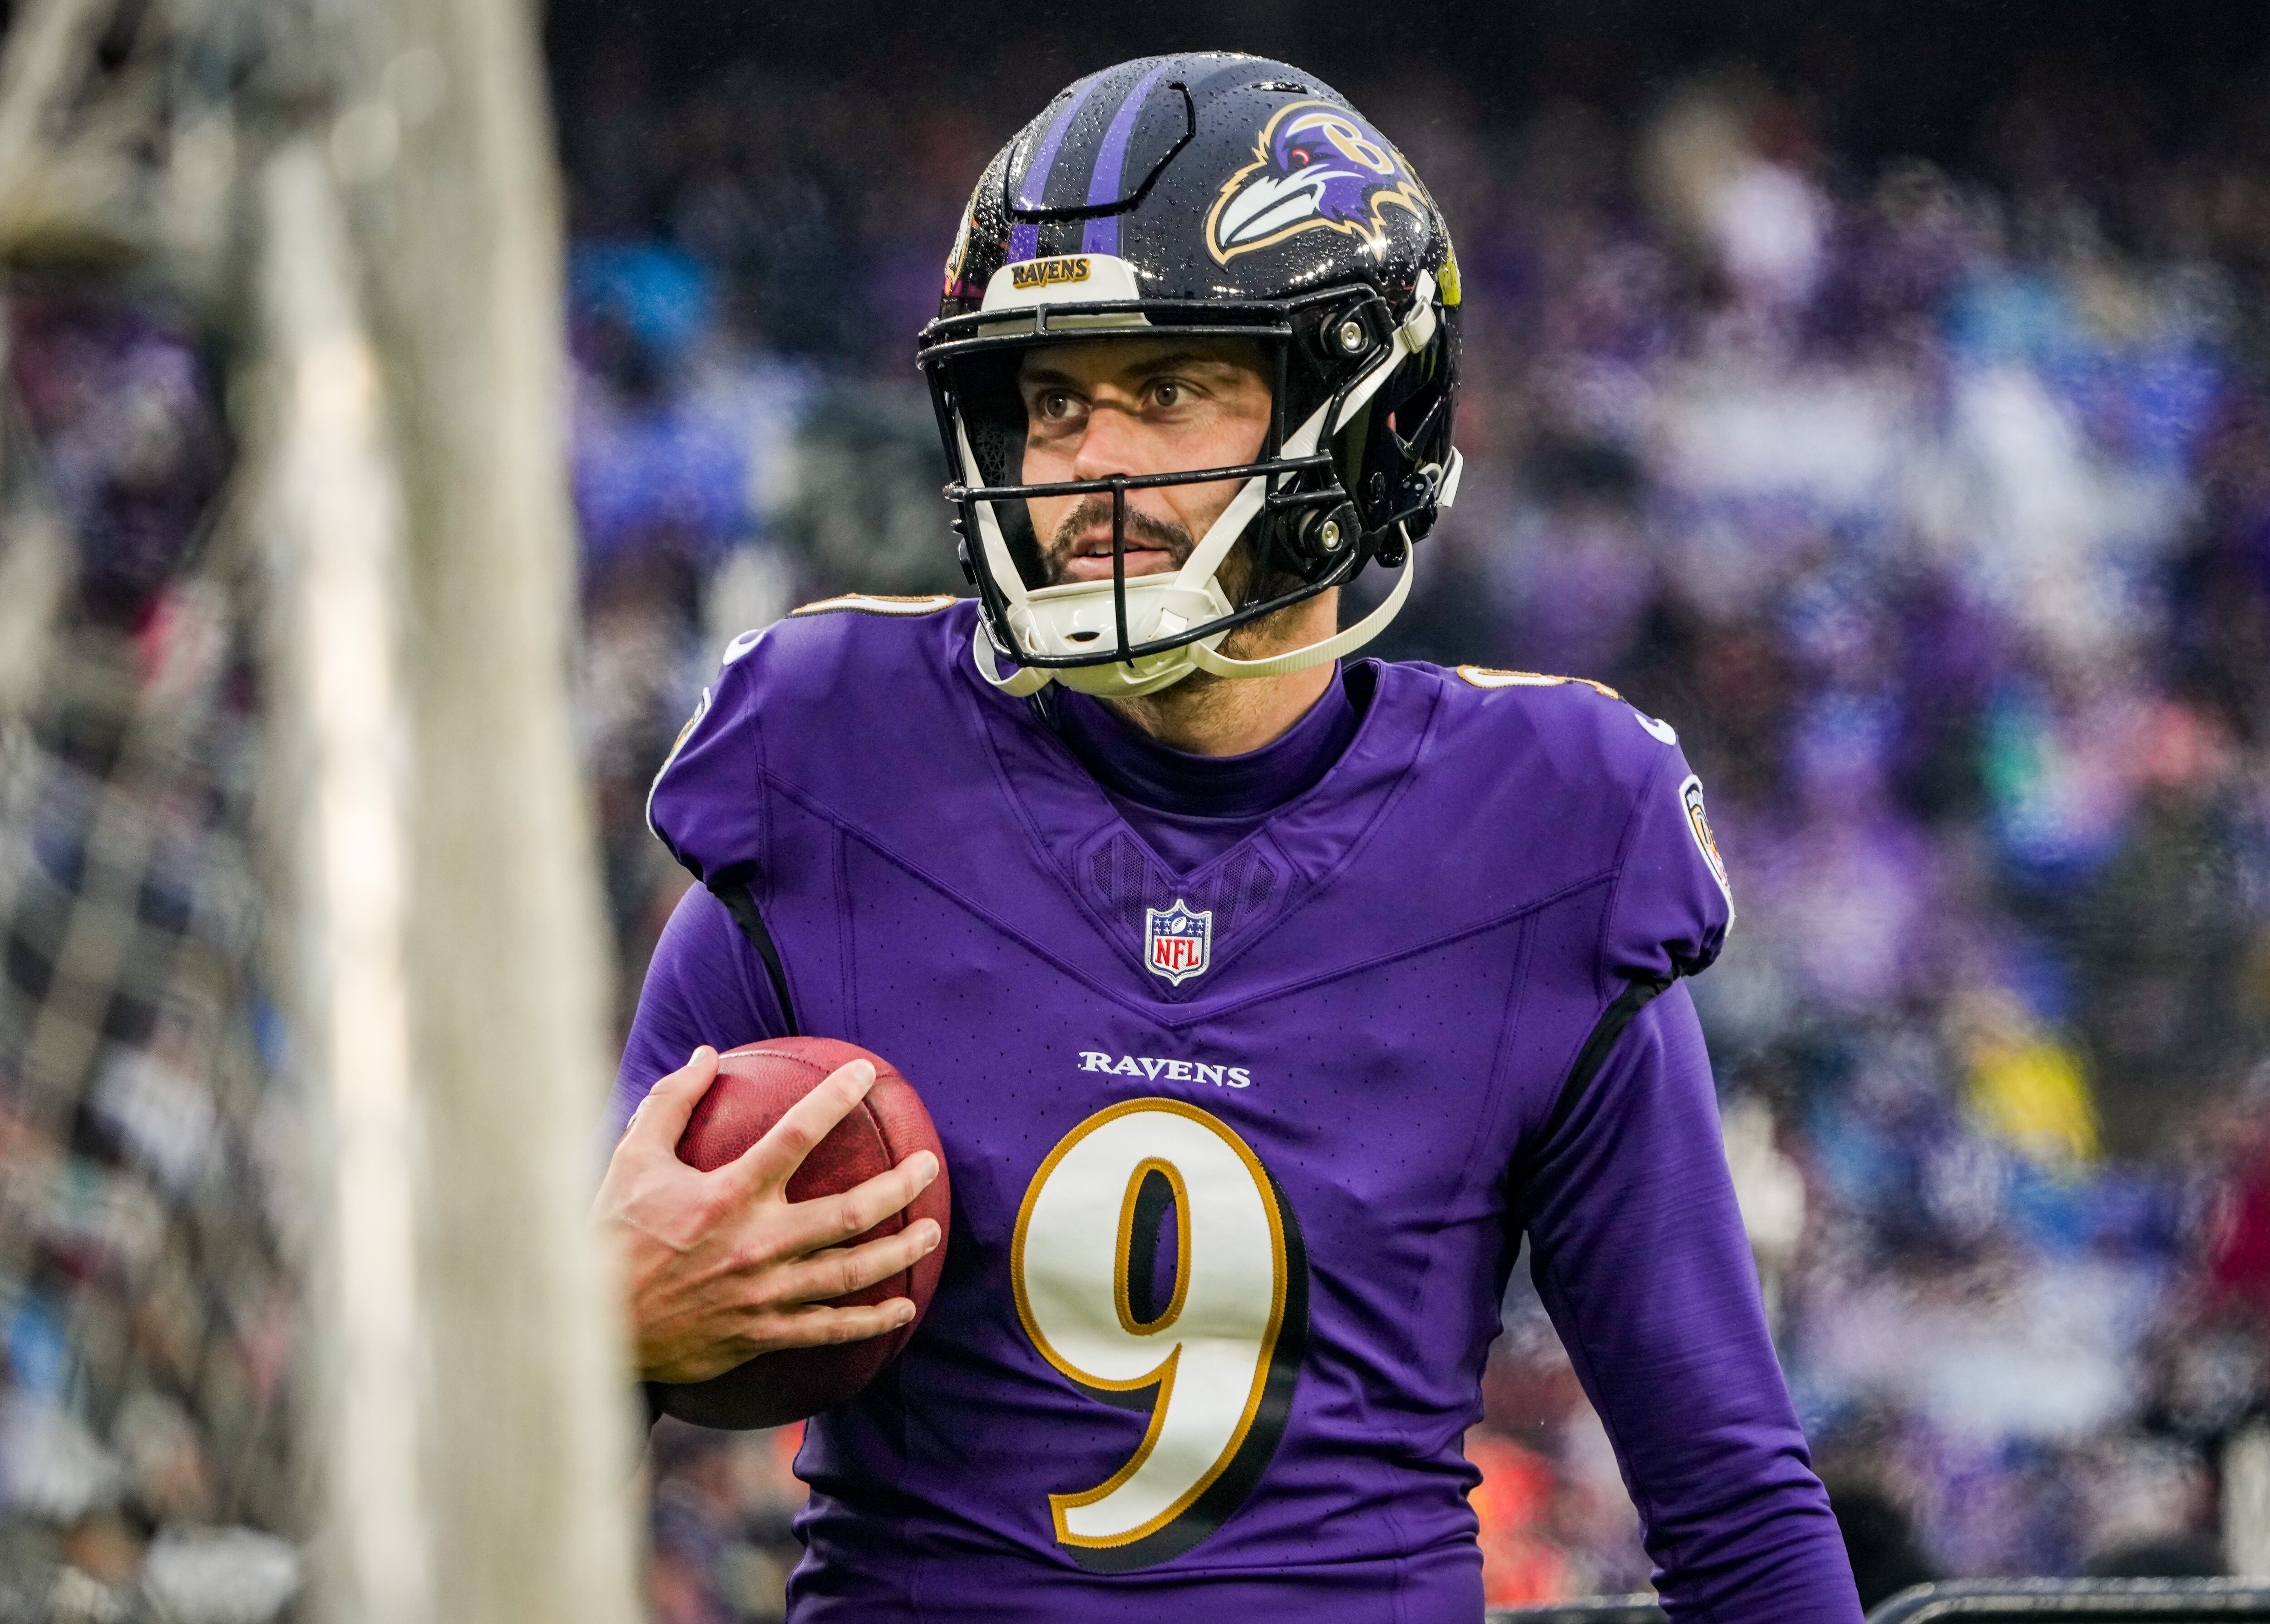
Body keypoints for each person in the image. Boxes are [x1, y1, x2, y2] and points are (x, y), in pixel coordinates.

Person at [593, 53, 1864, 1622]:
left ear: (1363, 418)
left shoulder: (1547, 834)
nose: (1088, 463)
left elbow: (1731, 1498)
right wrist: (604, 1322)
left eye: (1167, 389)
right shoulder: (836, 767)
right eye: (1051, 400)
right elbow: (546, 1395)